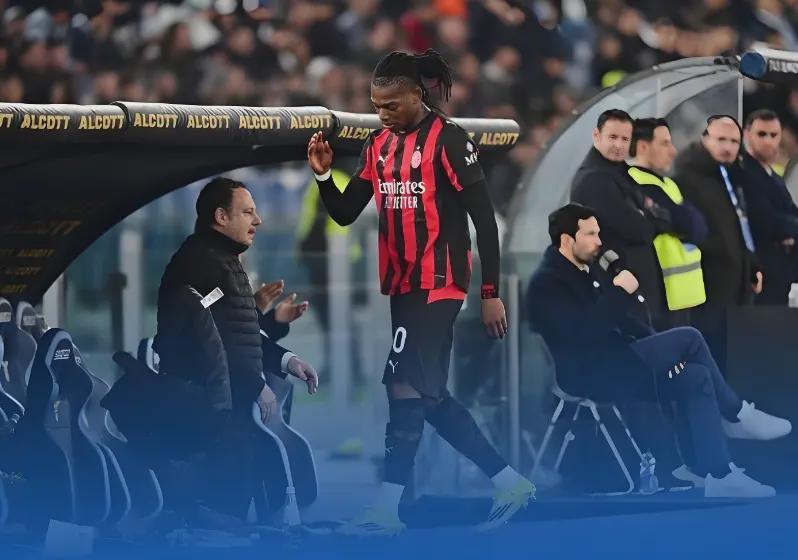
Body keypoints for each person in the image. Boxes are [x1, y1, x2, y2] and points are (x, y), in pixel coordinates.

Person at [306, 49, 534, 535]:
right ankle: (509, 482)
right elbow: (345, 213)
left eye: (391, 105)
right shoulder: (376, 145)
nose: (382, 114)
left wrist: (490, 292)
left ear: (417, 94)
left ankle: (386, 508)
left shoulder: (450, 140)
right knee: (427, 395)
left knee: (401, 383)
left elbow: (484, 223)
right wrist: (324, 175)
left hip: (440, 281)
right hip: (402, 284)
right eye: (376, 106)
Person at [527, 203, 791, 498]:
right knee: (690, 337)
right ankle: (737, 414)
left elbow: (622, 321)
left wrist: (665, 353)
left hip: (617, 361)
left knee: (695, 377)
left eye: (598, 233)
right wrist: (619, 293)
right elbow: (582, 334)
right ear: (566, 240)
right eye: (590, 234)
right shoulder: (547, 284)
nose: (599, 242)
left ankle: (718, 473)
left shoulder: (583, 272)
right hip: (589, 372)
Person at [155, 177, 319, 520]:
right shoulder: (204, 261)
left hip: (224, 400)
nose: (257, 220)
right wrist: (255, 384)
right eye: (247, 212)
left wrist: (287, 360)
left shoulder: (221, 259)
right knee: (221, 511)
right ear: (221, 216)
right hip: (211, 403)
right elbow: (211, 337)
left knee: (234, 501)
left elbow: (235, 329)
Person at [673, 115, 762, 370]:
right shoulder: (686, 178)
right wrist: (718, 252)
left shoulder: (731, 176)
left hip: (736, 284)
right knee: (711, 356)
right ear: (704, 139)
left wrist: (751, 264)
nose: (728, 147)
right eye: (721, 139)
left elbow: (739, 226)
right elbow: (688, 231)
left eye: (734, 141)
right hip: (709, 286)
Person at [571, 109, 668, 322]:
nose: (619, 145)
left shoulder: (621, 172)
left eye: (625, 139)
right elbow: (638, 229)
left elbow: (662, 215)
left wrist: (647, 216)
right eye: (613, 137)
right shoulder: (594, 179)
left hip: (635, 284)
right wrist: (647, 217)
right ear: (596, 136)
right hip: (619, 287)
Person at [627, 117, 709, 325]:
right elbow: (686, 222)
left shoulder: (667, 184)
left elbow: (698, 227)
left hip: (681, 294)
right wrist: (682, 221)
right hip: (659, 294)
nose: (673, 151)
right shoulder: (635, 182)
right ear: (643, 146)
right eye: (664, 143)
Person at [739, 109, 798, 305]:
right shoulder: (745, 173)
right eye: (761, 134)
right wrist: (793, 231)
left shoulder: (775, 178)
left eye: (773, 135)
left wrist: (797, 234)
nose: (768, 141)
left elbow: (797, 220)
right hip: (764, 274)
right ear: (747, 135)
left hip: (785, 273)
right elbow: (765, 221)